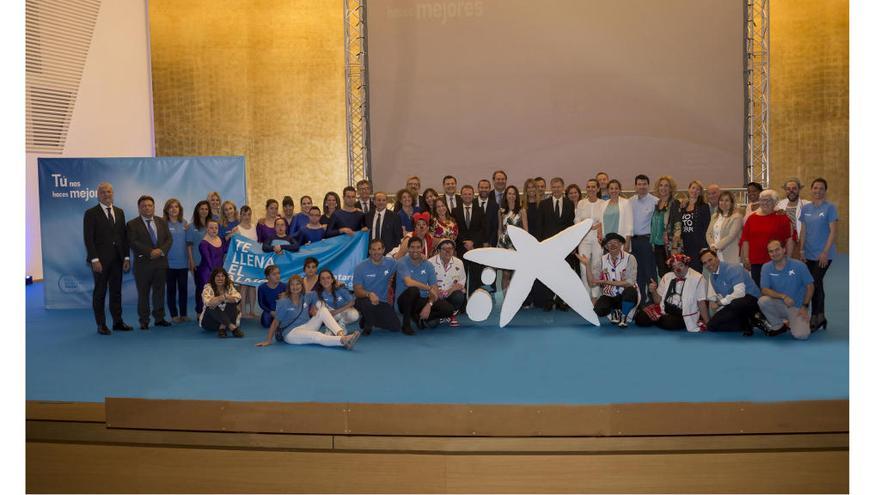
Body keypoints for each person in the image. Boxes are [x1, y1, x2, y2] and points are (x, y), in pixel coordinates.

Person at [255, 275, 360, 349]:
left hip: (307, 325)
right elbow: (276, 322)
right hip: (291, 333)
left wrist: (337, 283)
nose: (295, 287)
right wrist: (268, 340)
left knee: (323, 309)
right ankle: (342, 340)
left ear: (302, 286)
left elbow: (323, 287)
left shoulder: (308, 296)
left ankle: (340, 333)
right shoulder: (284, 302)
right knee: (316, 336)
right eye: (292, 285)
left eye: (298, 284)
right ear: (289, 287)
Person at [82, 182, 131, 334]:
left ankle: (117, 322)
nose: (106, 194)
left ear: (113, 193)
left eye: (109, 191)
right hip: (100, 262)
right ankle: (101, 324)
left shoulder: (120, 212)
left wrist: (127, 257)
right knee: (100, 292)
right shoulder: (91, 213)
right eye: (103, 192)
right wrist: (94, 259)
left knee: (116, 292)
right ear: (98, 195)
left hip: (118, 260)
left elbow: (124, 237)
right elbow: (88, 239)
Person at [126, 195, 173, 330]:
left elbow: (169, 239)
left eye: (149, 205)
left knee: (159, 292)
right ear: (139, 208)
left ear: (153, 207)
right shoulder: (132, 224)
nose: (147, 208)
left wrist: (160, 251)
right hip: (143, 265)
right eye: (144, 206)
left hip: (160, 264)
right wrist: (149, 252)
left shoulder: (162, 221)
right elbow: (133, 242)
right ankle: (144, 320)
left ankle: (159, 318)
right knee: (143, 294)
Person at [798, 178, 838, 331]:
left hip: (824, 255)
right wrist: (801, 250)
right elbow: (804, 231)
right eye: (815, 188)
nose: (818, 191)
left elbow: (833, 232)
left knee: (813, 283)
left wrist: (825, 252)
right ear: (811, 189)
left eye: (821, 188)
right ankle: (821, 317)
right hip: (808, 254)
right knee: (817, 284)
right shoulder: (806, 208)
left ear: (825, 191)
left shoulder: (830, 208)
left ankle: (816, 317)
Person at [634, 253, 709, 332]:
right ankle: (660, 318)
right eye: (674, 267)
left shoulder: (698, 278)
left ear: (687, 265)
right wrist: (653, 291)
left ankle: (657, 319)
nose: (678, 269)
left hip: (683, 312)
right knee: (640, 318)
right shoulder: (667, 277)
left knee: (669, 323)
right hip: (665, 308)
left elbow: (701, 302)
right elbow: (658, 301)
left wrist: (707, 322)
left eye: (680, 265)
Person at [579, 233, 639, 327]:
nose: (613, 245)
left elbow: (630, 283)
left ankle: (624, 316)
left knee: (630, 292)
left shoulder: (630, 258)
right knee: (599, 310)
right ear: (606, 247)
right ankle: (614, 311)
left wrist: (606, 282)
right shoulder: (602, 260)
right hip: (610, 295)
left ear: (620, 244)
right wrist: (587, 265)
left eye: (615, 242)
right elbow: (592, 282)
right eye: (609, 243)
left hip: (626, 294)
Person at [758, 240, 815, 339]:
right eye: (771, 251)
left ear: (784, 250)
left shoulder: (799, 265)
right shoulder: (766, 267)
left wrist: (805, 306)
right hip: (779, 304)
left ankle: (793, 321)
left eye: (777, 250)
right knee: (763, 301)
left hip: (797, 307)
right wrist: (783, 296)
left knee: (802, 335)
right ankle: (779, 325)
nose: (774, 253)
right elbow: (764, 290)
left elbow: (810, 287)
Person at [699, 248, 762, 336]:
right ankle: (749, 322)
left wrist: (720, 303)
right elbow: (722, 296)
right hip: (734, 305)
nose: (708, 264)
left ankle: (753, 318)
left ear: (717, 258)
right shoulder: (712, 277)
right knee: (712, 326)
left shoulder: (733, 268)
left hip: (752, 301)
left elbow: (740, 293)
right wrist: (720, 310)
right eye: (705, 263)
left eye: (710, 260)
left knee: (736, 303)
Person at [740, 189, 793, 286]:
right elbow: (745, 240)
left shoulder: (782, 218)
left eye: (768, 200)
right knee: (758, 289)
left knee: (775, 288)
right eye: (762, 200)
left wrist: (788, 259)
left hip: (776, 261)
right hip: (755, 262)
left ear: (774, 202)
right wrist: (746, 258)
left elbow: (789, 240)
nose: (764, 203)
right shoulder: (751, 219)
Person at [537, 178, 574, 311]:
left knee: (563, 273)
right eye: (554, 187)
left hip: (564, 246)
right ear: (551, 188)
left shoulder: (570, 204)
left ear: (563, 187)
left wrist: (571, 244)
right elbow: (541, 226)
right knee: (548, 273)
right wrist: (540, 245)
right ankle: (548, 300)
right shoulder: (543, 204)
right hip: (548, 245)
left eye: (559, 187)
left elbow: (571, 226)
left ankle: (561, 300)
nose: (556, 189)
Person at [353, 239, 402, 335]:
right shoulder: (360, 267)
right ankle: (369, 323)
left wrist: (420, 257)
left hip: (382, 302)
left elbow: (405, 264)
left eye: (379, 249)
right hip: (365, 299)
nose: (376, 252)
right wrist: (369, 294)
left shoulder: (391, 263)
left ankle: (367, 317)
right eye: (373, 249)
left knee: (395, 327)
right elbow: (357, 291)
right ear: (370, 251)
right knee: (367, 304)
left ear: (383, 250)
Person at [395, 236, 441, 334]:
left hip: (420, 300)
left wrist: (429, 304)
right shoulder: (401, 262)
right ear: (408, 248)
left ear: (422, 248)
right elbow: (409, 282)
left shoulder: (428, 264)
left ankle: (418, 315)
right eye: (412, 247)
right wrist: (428, 288)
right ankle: (406, 324)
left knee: (447, 309)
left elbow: (435, 289)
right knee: (413, 290)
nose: (415, 250)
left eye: (418, 247)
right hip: (403, 302)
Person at [628, 174, 659, 306]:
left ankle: (653, 301)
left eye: (644, 184)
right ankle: (640, 302)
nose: (642, 186)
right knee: (636, 272)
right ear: (635, 186)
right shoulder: (630, 201)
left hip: (647, 241)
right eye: (639, 184)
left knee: (649, 271)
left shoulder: (655, 201)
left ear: (648, 185)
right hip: (633, 241)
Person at [452, 184, 487, 295]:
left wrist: (473, 242)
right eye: (465, 194)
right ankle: (462, 303)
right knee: (461, 275)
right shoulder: (455, 210)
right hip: (461, 247)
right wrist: (465, 242)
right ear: (461, 196)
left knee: (476, 275)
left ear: (473, 195)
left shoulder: (480, 210)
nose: (467, 196)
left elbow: (482, 229)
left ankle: (474, 299)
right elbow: (455, 229)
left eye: (470, 194)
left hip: (476, 247)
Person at [575, 178, 605, 298]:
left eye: (593, 187)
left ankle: (595, 296)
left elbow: (604, 220)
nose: (591, 189)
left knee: (596, 265)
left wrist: (598, 226)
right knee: (583, 266)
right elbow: (576, 219)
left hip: (598, 239)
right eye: (588, 187)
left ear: (598, 189)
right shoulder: (581, 203)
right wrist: (585, 226)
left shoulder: (603, 203)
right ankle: (586, 296)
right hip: (584, 239)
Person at [428, 239, 467, 327]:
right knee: (431, 324)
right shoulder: (430, 263)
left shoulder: (459, 263)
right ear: (438, 251)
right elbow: (426, 283)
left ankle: (451, 315)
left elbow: (461, 282)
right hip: (434, 296)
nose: (448, 251)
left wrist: (451, 290)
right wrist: (436, 292)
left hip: (450, 294)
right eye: (444, 249)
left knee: (459, 296)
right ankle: (442, 315)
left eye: (450, 248)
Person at [162, 198, 190, 323]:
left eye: (176, 207)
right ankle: (174, 315)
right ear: (167, 210)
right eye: (171, 207)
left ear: (180, 209)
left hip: (183, 263)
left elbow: (189, 243)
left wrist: (190, 259)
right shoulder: (162, 224)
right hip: (169, 264)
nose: (174, 209)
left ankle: (183, 314)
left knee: (183, 290)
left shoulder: (184, 223)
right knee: (171, 290)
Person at [650, 176, 682, 279]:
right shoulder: (657, 203)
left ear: (671, 188)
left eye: (666, 186)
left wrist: (674, 246)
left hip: (669, 246)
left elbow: (678, 225)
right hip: (657, 245)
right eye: (661, 185)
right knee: (662, 274)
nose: (663, 188)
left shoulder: (674, 203)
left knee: (672, 274)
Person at [498, 185, 528, 293]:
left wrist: (525, 247)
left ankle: (515, 299)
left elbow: (525, 230)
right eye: (509, 193)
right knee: (506, 274)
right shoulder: (501, 211)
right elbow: (500, 229)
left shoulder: (522, 211)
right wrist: (499, 247)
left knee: (517, 274)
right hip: (504, 245)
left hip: (518, 246)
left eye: (513, 194)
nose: (511, 196)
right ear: (506, 196)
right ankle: (506, 299)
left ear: (516, 196)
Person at [196, 219, 227, 318]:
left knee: (218, 293)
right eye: (211, 228)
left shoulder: (221, 240)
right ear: (207, 229)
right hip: (206, 272)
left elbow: (226, 250)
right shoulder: (203, 243)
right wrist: (217, 275)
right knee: (206, 293)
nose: (214, 230)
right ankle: (201, 313)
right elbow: (209, 261)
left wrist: (232, 236)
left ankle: (216, 314)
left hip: (218, 273)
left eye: (216, 228)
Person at [199, 267, 243, 338]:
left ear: (225, 278)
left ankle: (222, 327)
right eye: (218, 276)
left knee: (232, 303)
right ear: (213, 278)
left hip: (228, 320)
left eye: (222, 276)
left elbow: (238, 298)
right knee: (211, 307)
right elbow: (209, 303)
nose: (220, 278)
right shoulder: (208, 288)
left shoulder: (229, 287)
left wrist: (224, 298)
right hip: (211, 323)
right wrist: (222, 297)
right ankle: (232, 327)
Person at [679, 180, 711, 271]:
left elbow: (706, 227)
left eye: (698, 189)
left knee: (696, 271)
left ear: (700, 192)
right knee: (685, 271)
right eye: (693, 188)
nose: (695, 191)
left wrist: (704, 246)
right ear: (689, 189)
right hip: (684, 244)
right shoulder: (682, 206)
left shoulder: (704, 207)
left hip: (697, 245)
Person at [187, 200, 211, 315]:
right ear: (197, 210)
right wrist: (191, 261)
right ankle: (199, 312)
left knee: (211, 288)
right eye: (202, 209)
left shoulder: (212, 226)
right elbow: (189, 246)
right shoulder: (192, 227)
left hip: (211, 263)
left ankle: (211, 311)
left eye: (206, 209)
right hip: (198, 262)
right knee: (200, 288)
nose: (204, 211)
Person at [706, 190, 743, 263]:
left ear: (732, 203)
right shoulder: (714, 216)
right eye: (721, 200)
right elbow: (708, 233)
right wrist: (712, 246)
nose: (723, 203)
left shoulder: (737, 217)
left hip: (730, 254)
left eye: (727, 200)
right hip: (715, 254)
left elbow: (731, 236)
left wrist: (716, 247)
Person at [235, 205, 259, 318]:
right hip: (243, 261)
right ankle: (243, 311)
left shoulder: (254, 227)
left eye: (249, 214)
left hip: (253, 260)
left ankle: (252, 310)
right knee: (243, 286)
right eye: (244, 214)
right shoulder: (237, 229)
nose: (246, 217)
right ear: (240, 215)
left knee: (252, 286)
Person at [777, 177, 809, 250]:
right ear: (785, 190)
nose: (791, 191)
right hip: (783, 245)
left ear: (799, 190)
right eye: (788, 189)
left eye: (794, 188)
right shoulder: (779, 205)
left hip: (800, 244)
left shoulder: (807, 205)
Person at [477, 179, 500, 247]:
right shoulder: (472, 203)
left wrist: (490, 242)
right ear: (478, 189)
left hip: (491, 244)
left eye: (486, 188)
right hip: (475, 243)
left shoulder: (495, 205)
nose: (484, 189)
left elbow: (495, 226)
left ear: (490, 189)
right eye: (481, 187)